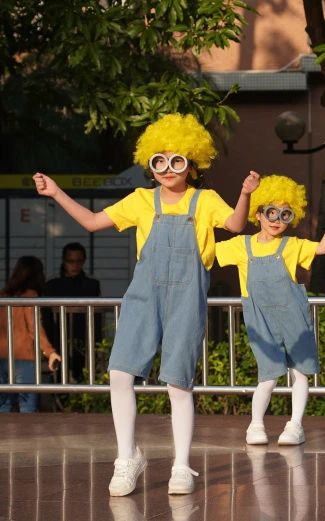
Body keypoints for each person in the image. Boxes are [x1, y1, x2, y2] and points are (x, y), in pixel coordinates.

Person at [33, 113, 258, 497]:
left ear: (192, 164)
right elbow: (92, 221)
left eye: (177, 160)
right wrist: (56, 193)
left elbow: (235, 226)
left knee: (178, 383)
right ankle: (127, 458)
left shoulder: (205, 201)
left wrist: (246, 194)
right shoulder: (140, 200)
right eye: (159, 160)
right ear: (150, 166)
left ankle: (181, 466)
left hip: (186, 299)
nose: (167, 168)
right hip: (143, 296)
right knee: (120, 375)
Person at [215, 175, 325, 446]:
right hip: (260, 319)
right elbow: (207, 250)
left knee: (300, 371)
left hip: (292, 317)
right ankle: (255, 425)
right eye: (271, 212)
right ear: (258, 214)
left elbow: (322, 248)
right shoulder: (241, 245)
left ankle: (295, 425)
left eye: (285, 214)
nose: (276, 220)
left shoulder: (291, 245)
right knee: (268, 376)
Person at [0, 256, 62, 412]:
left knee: (3, 406)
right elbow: (34, 327)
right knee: (27, 407)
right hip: (24, 357)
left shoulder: (3, 295)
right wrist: (50, 352)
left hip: (1, 356)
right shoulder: (31, 295)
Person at [42, 242, 102, 382]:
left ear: (84, 261)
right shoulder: (52, 285)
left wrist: (97, 340)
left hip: (84, 338)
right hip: (58, 337)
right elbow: (46, 316)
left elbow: (97, 316)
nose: (75, 265)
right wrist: (48, 343)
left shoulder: (91, 284)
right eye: (70, 261)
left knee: (84, 376)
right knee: (58, 377)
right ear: (64, 261)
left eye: (78, 261)